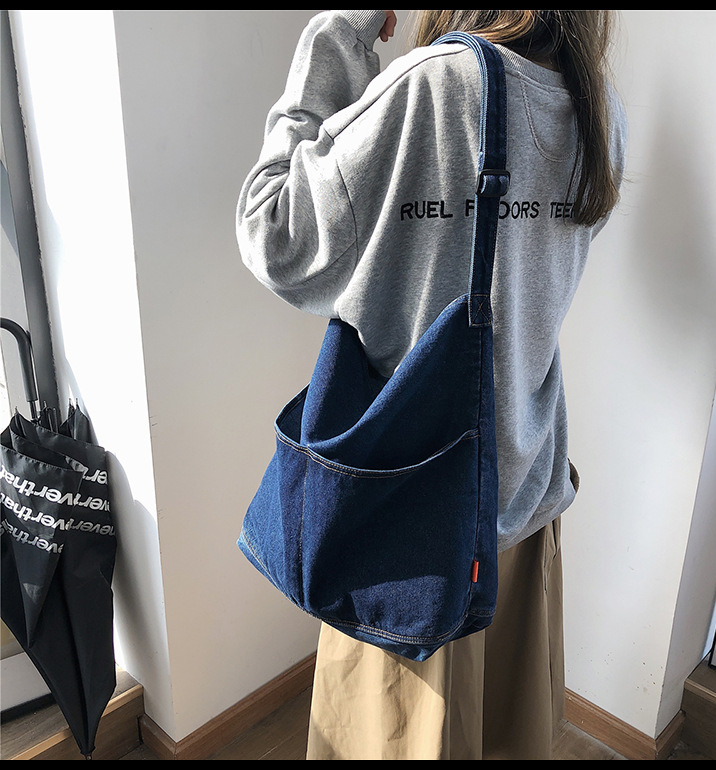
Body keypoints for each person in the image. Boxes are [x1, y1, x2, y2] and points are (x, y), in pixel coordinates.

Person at [236, 9, 627, 761]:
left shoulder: (434, 87)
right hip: (522, 499)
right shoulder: (594, 107)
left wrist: (336, 37)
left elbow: (273, 232)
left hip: (408, 521)